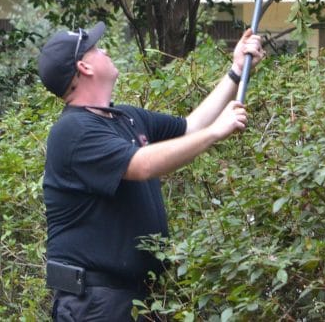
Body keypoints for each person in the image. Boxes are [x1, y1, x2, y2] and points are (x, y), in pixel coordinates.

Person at [39, 22, 263, 321]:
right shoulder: (73, 131)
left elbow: (189, 128)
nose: (104, 51)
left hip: (139, 297)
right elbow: (141, 164)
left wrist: (236, 71)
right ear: (84, 66)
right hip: (94, 302)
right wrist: (215, 133)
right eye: (96, 48)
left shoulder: (126, 118)